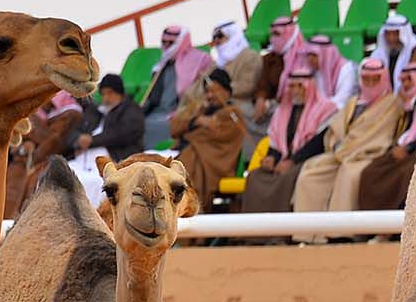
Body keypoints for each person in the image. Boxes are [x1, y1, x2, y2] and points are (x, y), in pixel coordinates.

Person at [293, 57, 403, 216]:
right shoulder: (353, 102)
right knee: (310, 173)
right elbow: (335, 130)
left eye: (376, 79)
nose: (371, 83)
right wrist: (337, 146)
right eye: (366, 78)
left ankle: (342, 233)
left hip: (367, 155)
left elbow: (376, 137)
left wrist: (345, 150)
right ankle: (309, 234)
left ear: (384, 78)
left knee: (348, 175)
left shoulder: (391, 104)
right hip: (341, 154)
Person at [241, 62, 335, 213]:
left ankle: (280, 232)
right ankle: (254, 232)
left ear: (310, 86)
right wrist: (271, 157)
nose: (295, 91)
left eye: (300, 86)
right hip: (284, 160)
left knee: (287, 178)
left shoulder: (326, 109)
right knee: (255, 177)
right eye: (292, 86)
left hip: (307, 160)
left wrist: (292, 162)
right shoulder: (283, 110)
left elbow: (317, 144)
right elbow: (276, 140)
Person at [355, 56, 416, 211]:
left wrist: (409, 148)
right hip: (400, 151)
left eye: (409, 80)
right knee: (370, 172)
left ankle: (394, 229)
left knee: (406, 176)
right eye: (403, 81)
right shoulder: (406, 104)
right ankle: (375, 227)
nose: (405, 85)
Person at [170, 68, 248, 209]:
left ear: (227, 92)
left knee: (184, 167)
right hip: (193, 155)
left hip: (214, 163)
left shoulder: (233, 115)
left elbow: (211, 137)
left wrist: (189, 132)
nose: (210, 95)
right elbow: (174, 127)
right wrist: (197, 121)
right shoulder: (201, 111)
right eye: (207, 91)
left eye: (215, 91)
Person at [139, 24, 215, 146]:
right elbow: (152, 98)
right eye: (164, 42)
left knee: (145, 128)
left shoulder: (200, 60)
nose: (167, 46)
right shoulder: (161, 66)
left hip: (181, 112)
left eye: (171, 43)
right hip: (156, 113)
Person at [77, 72, 145, 162]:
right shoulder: (98, 111)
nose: (106, 98)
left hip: (119, 158)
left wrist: (92, 141)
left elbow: (122, 133)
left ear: (119, 93)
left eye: (110, 93)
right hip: (90, 155)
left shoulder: (132, 109)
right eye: (103, 94)